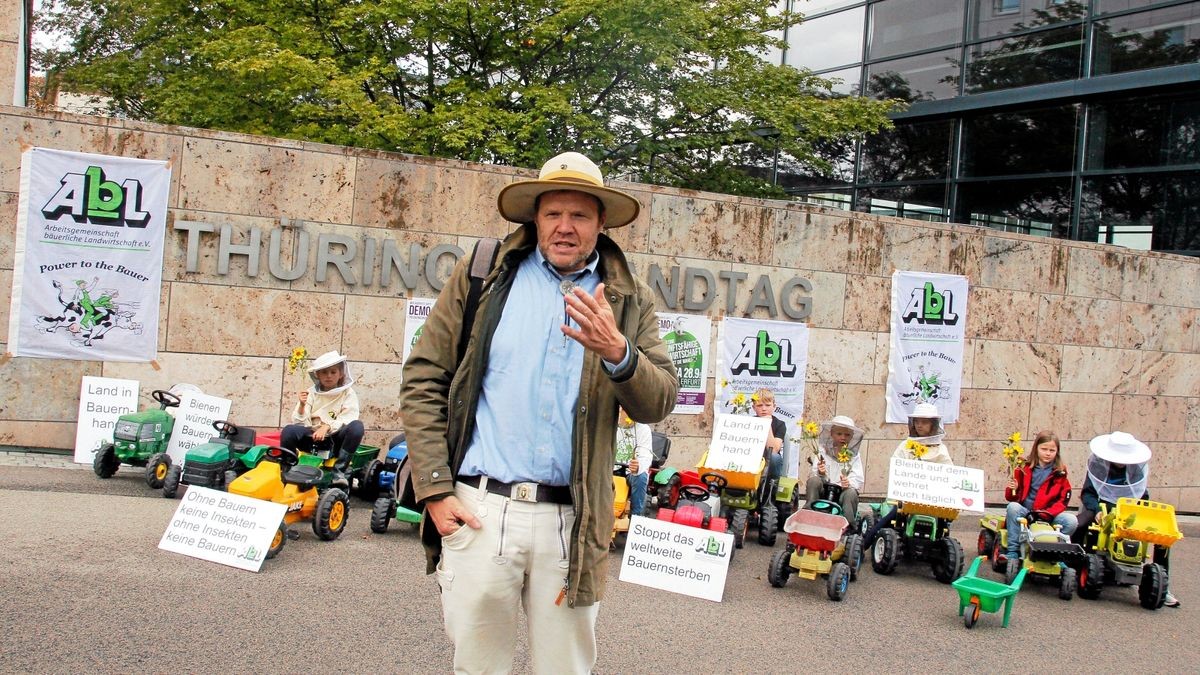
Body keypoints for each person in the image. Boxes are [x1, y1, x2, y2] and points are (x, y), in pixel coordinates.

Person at [400, 151, 679, 673]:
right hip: (480, 511)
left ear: (601, 223)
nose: (565, 227)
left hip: (572, 522)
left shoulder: (627, 297)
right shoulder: (484, 276)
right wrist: (435, 490)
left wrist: (620, 354)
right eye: (553, 213)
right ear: (535, 218)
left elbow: (658, 399)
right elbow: (423, 379)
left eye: (579, 215)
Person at [1072, 431, 1178, 607]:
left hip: (1129, 511)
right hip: (1101, 508)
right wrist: (1097, 510)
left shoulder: (1137, 469)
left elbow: (1142, 495)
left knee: (1162, 538)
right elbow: (1088, 493)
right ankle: (1072, 567)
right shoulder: (1098, 466)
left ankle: (1163, 586)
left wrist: (1144, 514)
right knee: (1080, 524)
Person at [863, 402, 953, 547]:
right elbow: (896, 467)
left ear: (934, 424)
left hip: (932, 500)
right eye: (917, 421)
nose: (919, 425)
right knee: (889, 518)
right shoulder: (906, 445)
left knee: (945, 523)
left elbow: (949, 472)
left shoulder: (941, 449)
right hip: (906, 498)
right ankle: (865, 544)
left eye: (924, 422)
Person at [280, 350, 364, 483]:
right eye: (324, 372)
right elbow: (299, 423)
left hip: (335, 440)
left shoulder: (348, 393)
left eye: (333, 372)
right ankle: (287, 468)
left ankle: (339, 471)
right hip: (312, 438)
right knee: (289, 430)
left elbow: (349, 417)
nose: (329, 376)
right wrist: (302, 405)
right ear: (317, 375)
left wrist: (327, 427)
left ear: (341, 373)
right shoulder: (311, 393)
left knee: (357, 427)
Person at [1003, 430, 1076, 560]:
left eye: (1052, 450)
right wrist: (1013, 488)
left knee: (1071, 521)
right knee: (1013, 507)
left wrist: (1048, 513)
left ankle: (1058, 553)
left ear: (1057, 452)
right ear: (1036, 448)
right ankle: (1013, 551)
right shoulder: (1023, 467)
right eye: (1044, 449)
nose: (1048, 453)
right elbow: (1011, 497)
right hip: (1026, 511)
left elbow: (1063, 499)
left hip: (1048, 515)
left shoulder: (1060, 472)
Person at [804, 415, 864, 518]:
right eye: (839, 434)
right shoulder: (822, 451)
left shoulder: (854, 456)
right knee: (813, 481)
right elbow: (814, 473)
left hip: (842, 495)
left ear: (852, 436)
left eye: (847, 435)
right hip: (823, 492)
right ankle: (809, 513)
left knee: (851, 493)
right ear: (831, 433)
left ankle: (848, 524)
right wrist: (821, 473)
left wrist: (848, 483)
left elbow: (858, 478)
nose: (843, 437)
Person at [615, 407, 653, 518]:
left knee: (641, 477)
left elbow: (645, 454)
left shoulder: (643, 429)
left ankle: (636, 516)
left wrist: (638, 466)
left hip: (630, 473)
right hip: (609, 470)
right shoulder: (609, 425)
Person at [751, 388, 787, 483]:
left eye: (767, 405)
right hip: (752, 459)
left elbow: (774, 450)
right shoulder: (748, 422)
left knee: (775, 457)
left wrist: (767, 424)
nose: (764, 409)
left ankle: (772, 488)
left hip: (770, 463)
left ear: (774, 406)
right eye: (759, 405)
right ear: (754, 407)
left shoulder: (780, 424)